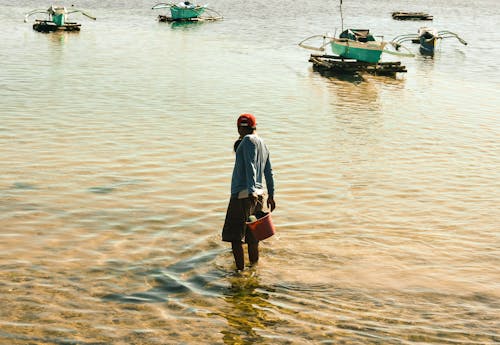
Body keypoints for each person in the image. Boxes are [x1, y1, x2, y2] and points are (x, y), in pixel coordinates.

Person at [222, 113, 276, 272]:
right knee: (253, 238)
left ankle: (239, 274)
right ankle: (254, 269)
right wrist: (271, 195)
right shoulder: (263, 144)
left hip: (243, 195)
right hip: (259, 196)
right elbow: (269, 171)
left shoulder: (246, 141)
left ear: (241, 127)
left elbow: (250, 165)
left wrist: (251, 189)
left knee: (235, 238)